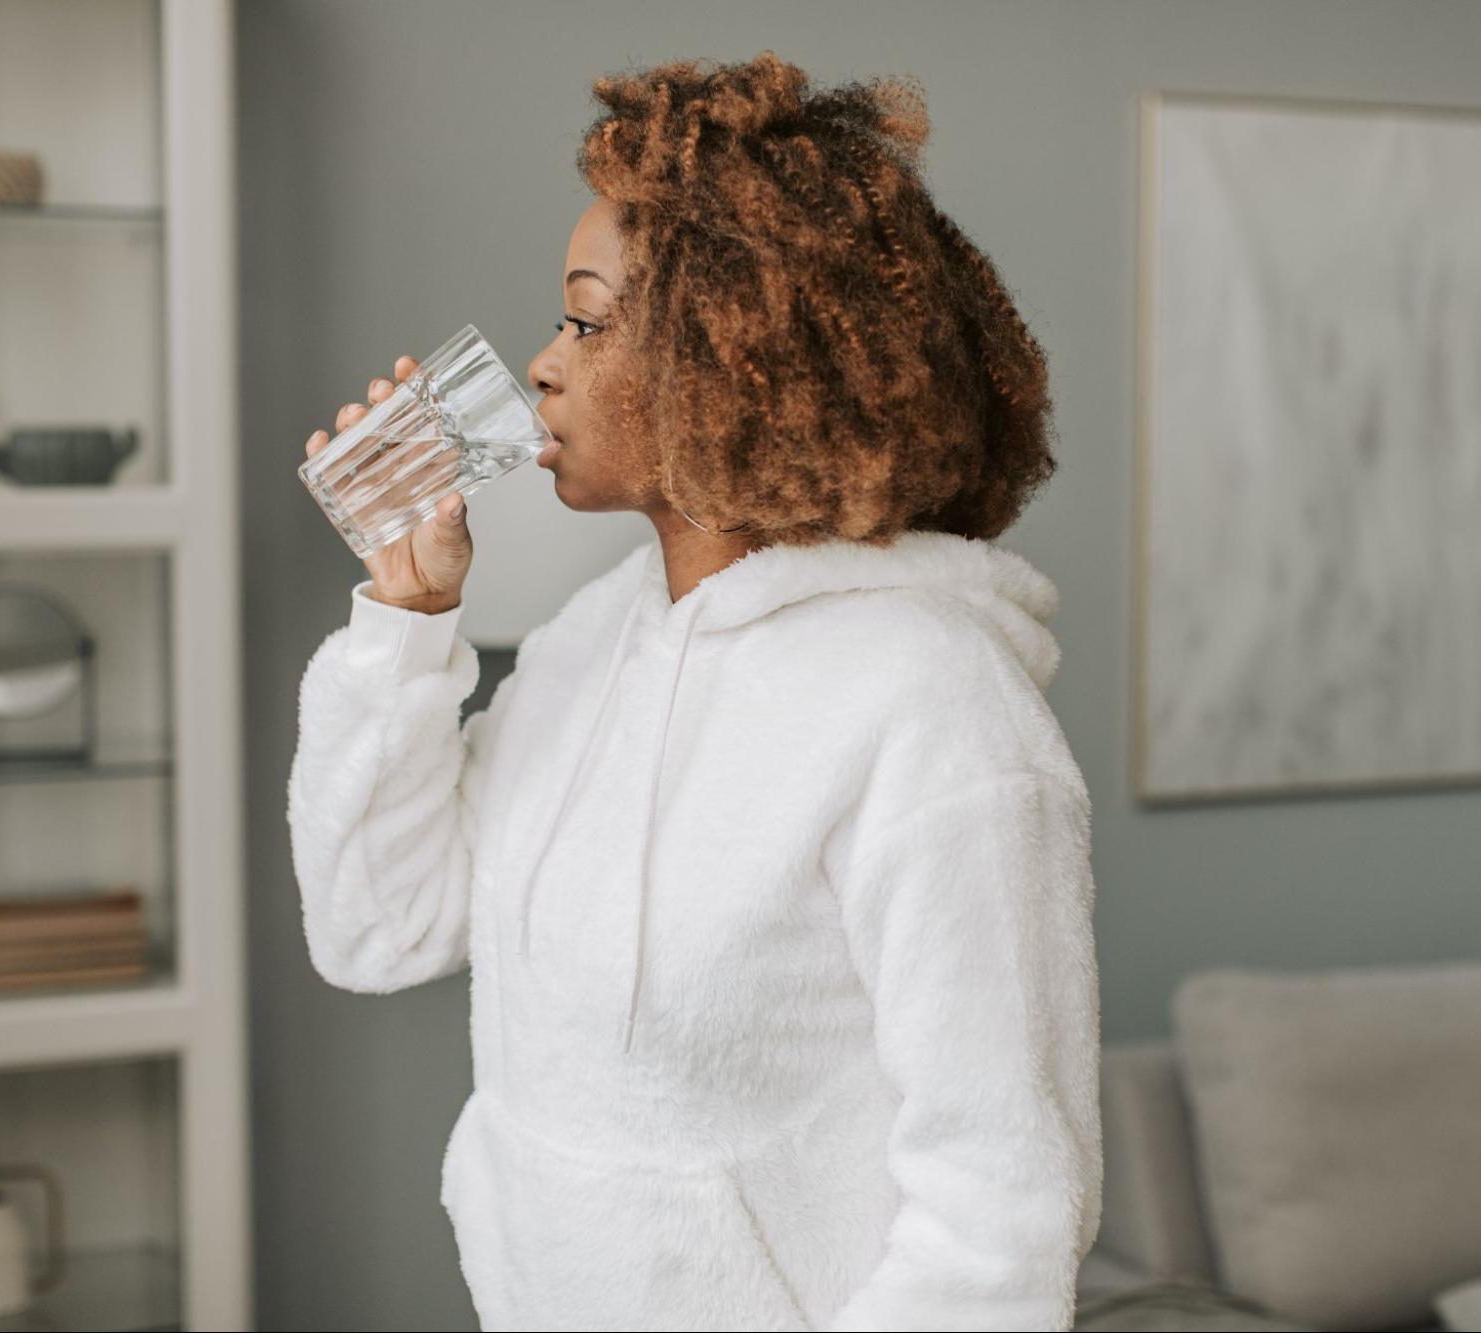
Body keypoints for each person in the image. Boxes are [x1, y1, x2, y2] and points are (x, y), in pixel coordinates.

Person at [286, 50, 1101, 1332]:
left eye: (587, 321)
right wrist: (406, 620)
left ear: (739, 357)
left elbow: (999, 1216)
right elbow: (375, 929)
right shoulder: (587, 644)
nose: (543, 365)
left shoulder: (938, 709)